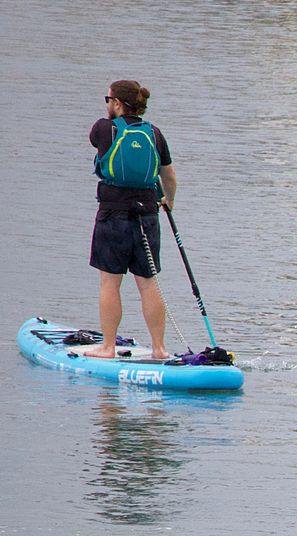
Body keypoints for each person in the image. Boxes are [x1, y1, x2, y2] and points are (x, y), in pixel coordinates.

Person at [83, 80, 177, 360]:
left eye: (108, 99)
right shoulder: (155, 134)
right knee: (148, 282)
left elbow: (96, 143)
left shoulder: (103, 128)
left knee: (110, 282)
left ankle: (108, 347)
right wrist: (168, 201)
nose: (106, 104)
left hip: (113, 214)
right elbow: (169, 177)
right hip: (147, 213)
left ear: (118, 104)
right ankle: (159, 349)